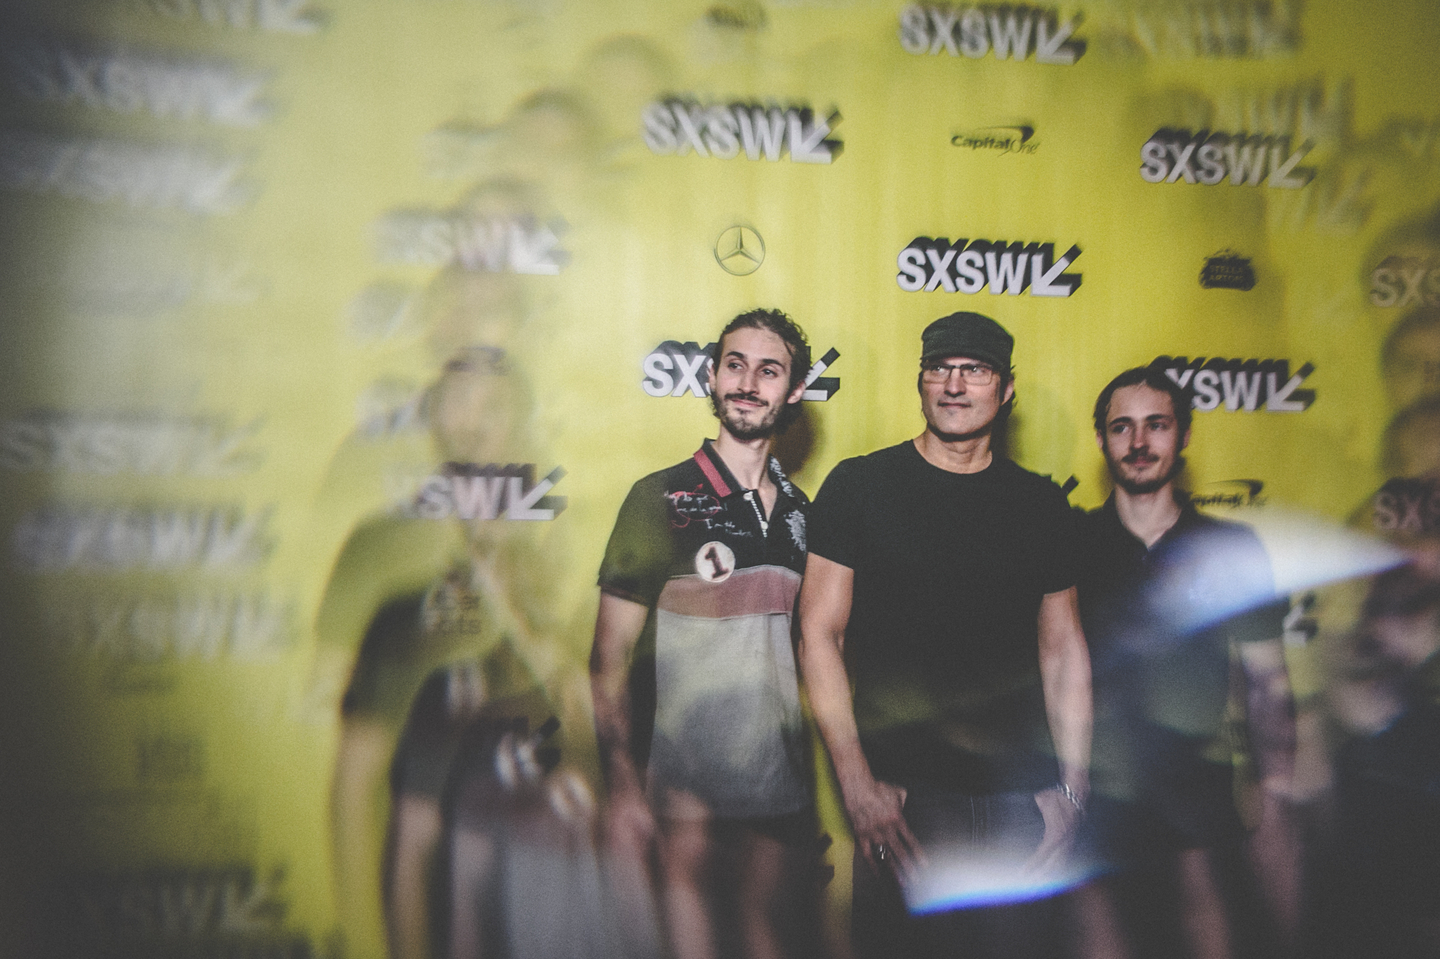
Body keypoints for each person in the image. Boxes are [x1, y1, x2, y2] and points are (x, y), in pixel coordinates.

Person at [798, 311, 1093, 959]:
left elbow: (1064, 648)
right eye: (940, 368)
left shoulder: (1042, 504)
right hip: (905, 803)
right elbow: (819, 635)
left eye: (976, 370)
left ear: (1005, 389)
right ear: (921, 381)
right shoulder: (859, 487)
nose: (955, 384)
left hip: (1022, 799)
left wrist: (1073, 789)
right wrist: (855, 782)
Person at [590, 308, 820, 959]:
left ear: (793, 391)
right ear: (713, 376)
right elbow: (607, 657)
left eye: (769, 369)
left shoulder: (804, 514)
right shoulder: (659, 498)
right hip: (682, 792)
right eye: (735, 364)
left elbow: (808, 657)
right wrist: (623, 784)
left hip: (778, 795)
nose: (749, 381)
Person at [1072, 367, 1300, 959]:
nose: (1139, 442)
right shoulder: (1071, 545)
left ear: (1184, 435)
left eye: (1157, 425)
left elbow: (1267, 679)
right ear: (1101, 440)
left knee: (1206, 927)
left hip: (1198, 787)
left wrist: (1274, 796)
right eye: (1122, 428)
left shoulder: (1230, 547)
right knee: (1102, 938)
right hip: (1098, 791)